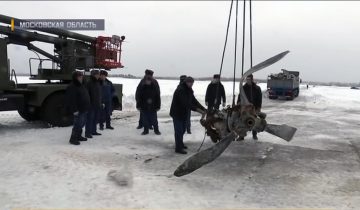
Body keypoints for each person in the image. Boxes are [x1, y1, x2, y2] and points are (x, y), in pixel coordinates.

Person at [170, 76, 207, 154]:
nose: (191, 84)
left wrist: (203, 108)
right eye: (189, 82)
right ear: (186, 82)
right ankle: (178, 148)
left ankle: (180, 144)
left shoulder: (189, 90)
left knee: (183, 129)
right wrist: (199, 110)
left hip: (183, 113)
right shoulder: (180, 90)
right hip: (177, 113)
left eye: (192, 83)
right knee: (179, 131)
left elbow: (194, 101)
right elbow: (186, 104)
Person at [65, 71, 91, 145]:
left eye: (81, 76)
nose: (81, 78)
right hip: (79, 109)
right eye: (79, 77)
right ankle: (73, 139)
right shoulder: (72, 86)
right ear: (75, 78)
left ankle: (79, 136)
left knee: (82, 124)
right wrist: (74, 110)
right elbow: (71, 99)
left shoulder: (81, 85)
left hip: (84, 108)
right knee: (78, 124)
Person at [237, 74, 262, 140]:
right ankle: (241, 135)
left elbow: (259, 99)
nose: (248, 81)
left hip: (254, 108)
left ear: (252, 79)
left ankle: (254, 134)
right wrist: (238, 103)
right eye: (247, 79)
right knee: (242, 121)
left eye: (249, 79)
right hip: (245, 108)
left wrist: (258, 107)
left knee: (254, 120)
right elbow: (240, 96)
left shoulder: (257, 88)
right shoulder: (243, 88)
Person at [85, 70, 103, 138]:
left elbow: (99, 94)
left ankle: (93, 131)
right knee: (89, 119)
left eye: (98, 74)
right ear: (93, 75)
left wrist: (100, 102)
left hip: (97, 104)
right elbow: (86, 94)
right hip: (91, 105)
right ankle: (88, 133)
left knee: (95, 118)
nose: (98, 75)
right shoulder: (89, 83)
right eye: (97, 74)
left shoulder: (97, 82)